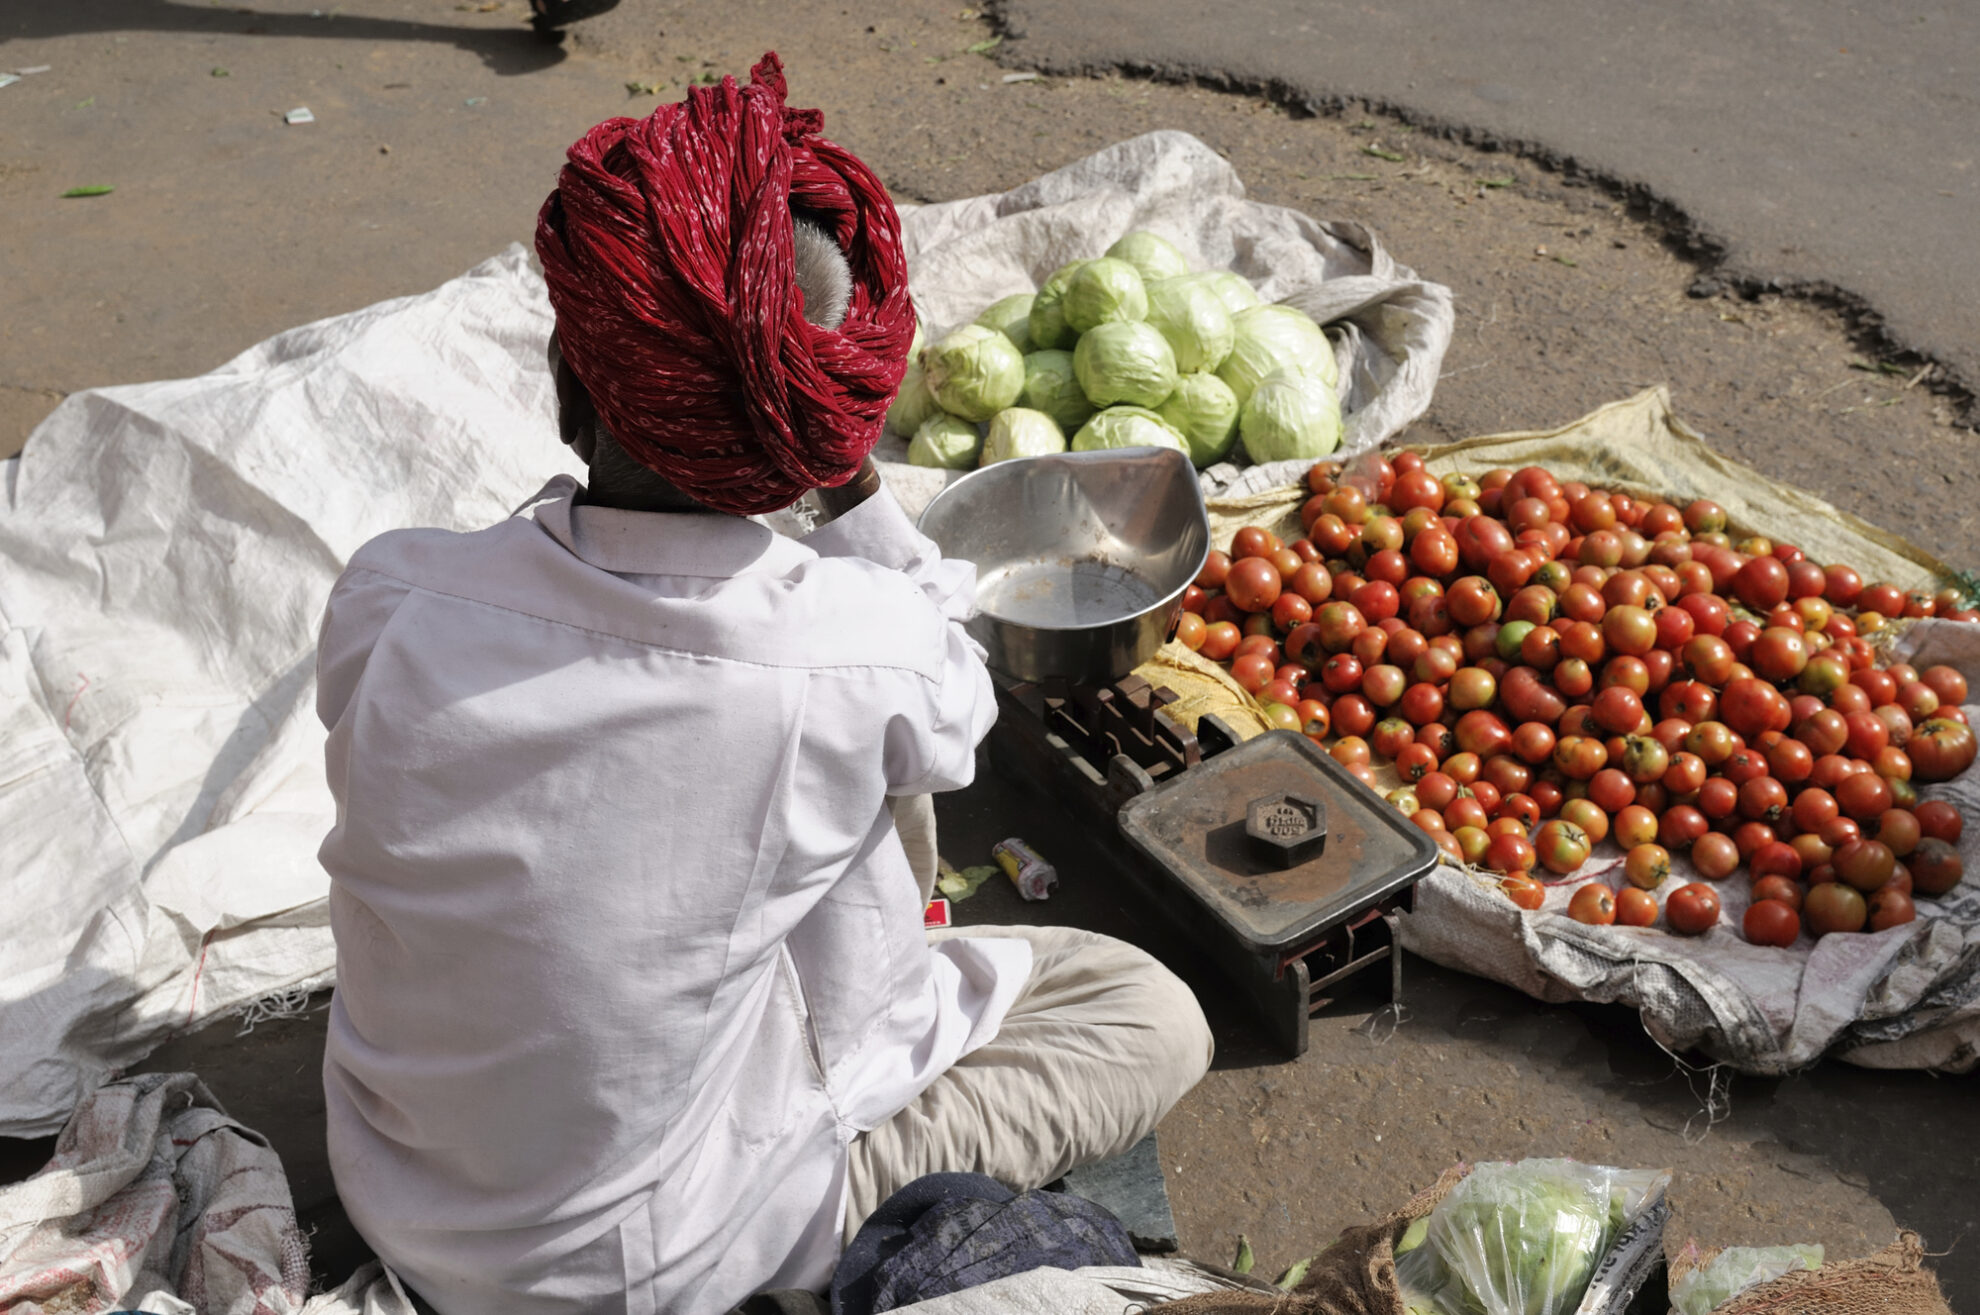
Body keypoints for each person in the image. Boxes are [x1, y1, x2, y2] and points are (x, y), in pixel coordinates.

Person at [314, 55, 1212, 1315]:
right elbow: (953, 691)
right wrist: (846, 488)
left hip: (405, 1187)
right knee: (1146, 1010)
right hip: (651, 1265)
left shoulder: (390, 597)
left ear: (571, 393)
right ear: (829, 427)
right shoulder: (859, 655)